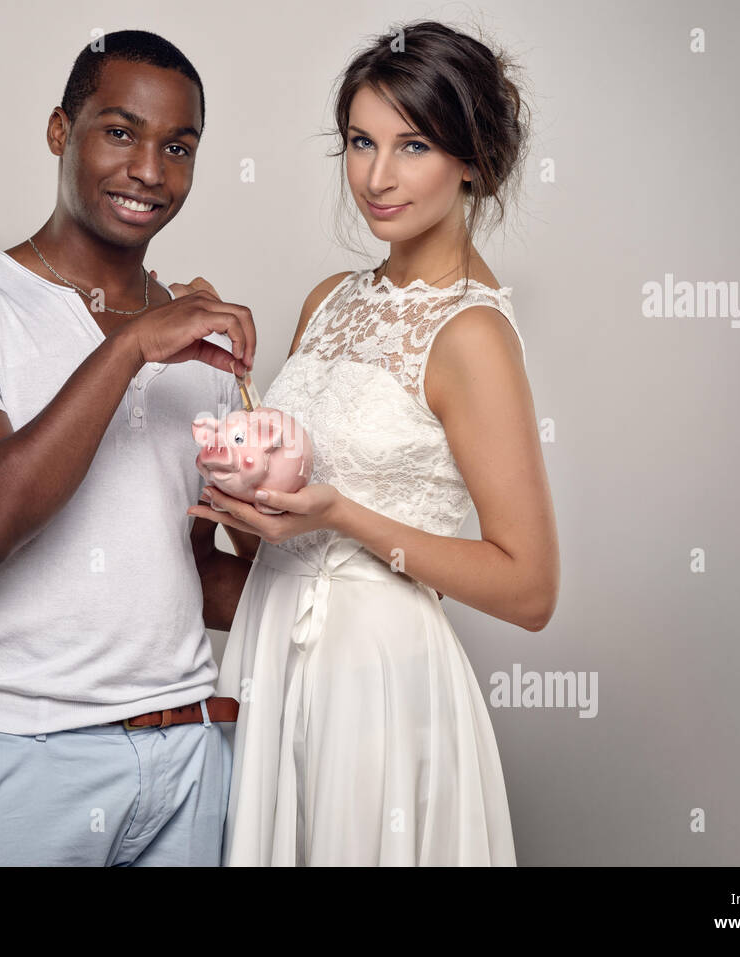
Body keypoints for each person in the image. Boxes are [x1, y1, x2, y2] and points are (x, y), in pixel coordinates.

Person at [184, 20, 560, 865]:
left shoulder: (471, 335)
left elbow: (530, 587)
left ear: (472, 160)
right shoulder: (328, 299)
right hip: (269, 648)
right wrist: (240, 479)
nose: (377, 178)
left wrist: (343, 516)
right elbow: (270, 527)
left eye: (412, 145)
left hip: (379, 678)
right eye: (360, 142)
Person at [0, 30, 260, 866]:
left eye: (179, 146)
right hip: (25, 756)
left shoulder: (201, 346)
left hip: (190, 755)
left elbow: (190, 568)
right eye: (119, 132)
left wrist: (359, 578)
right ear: (61, 131)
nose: (150, 171)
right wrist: (129, 347)